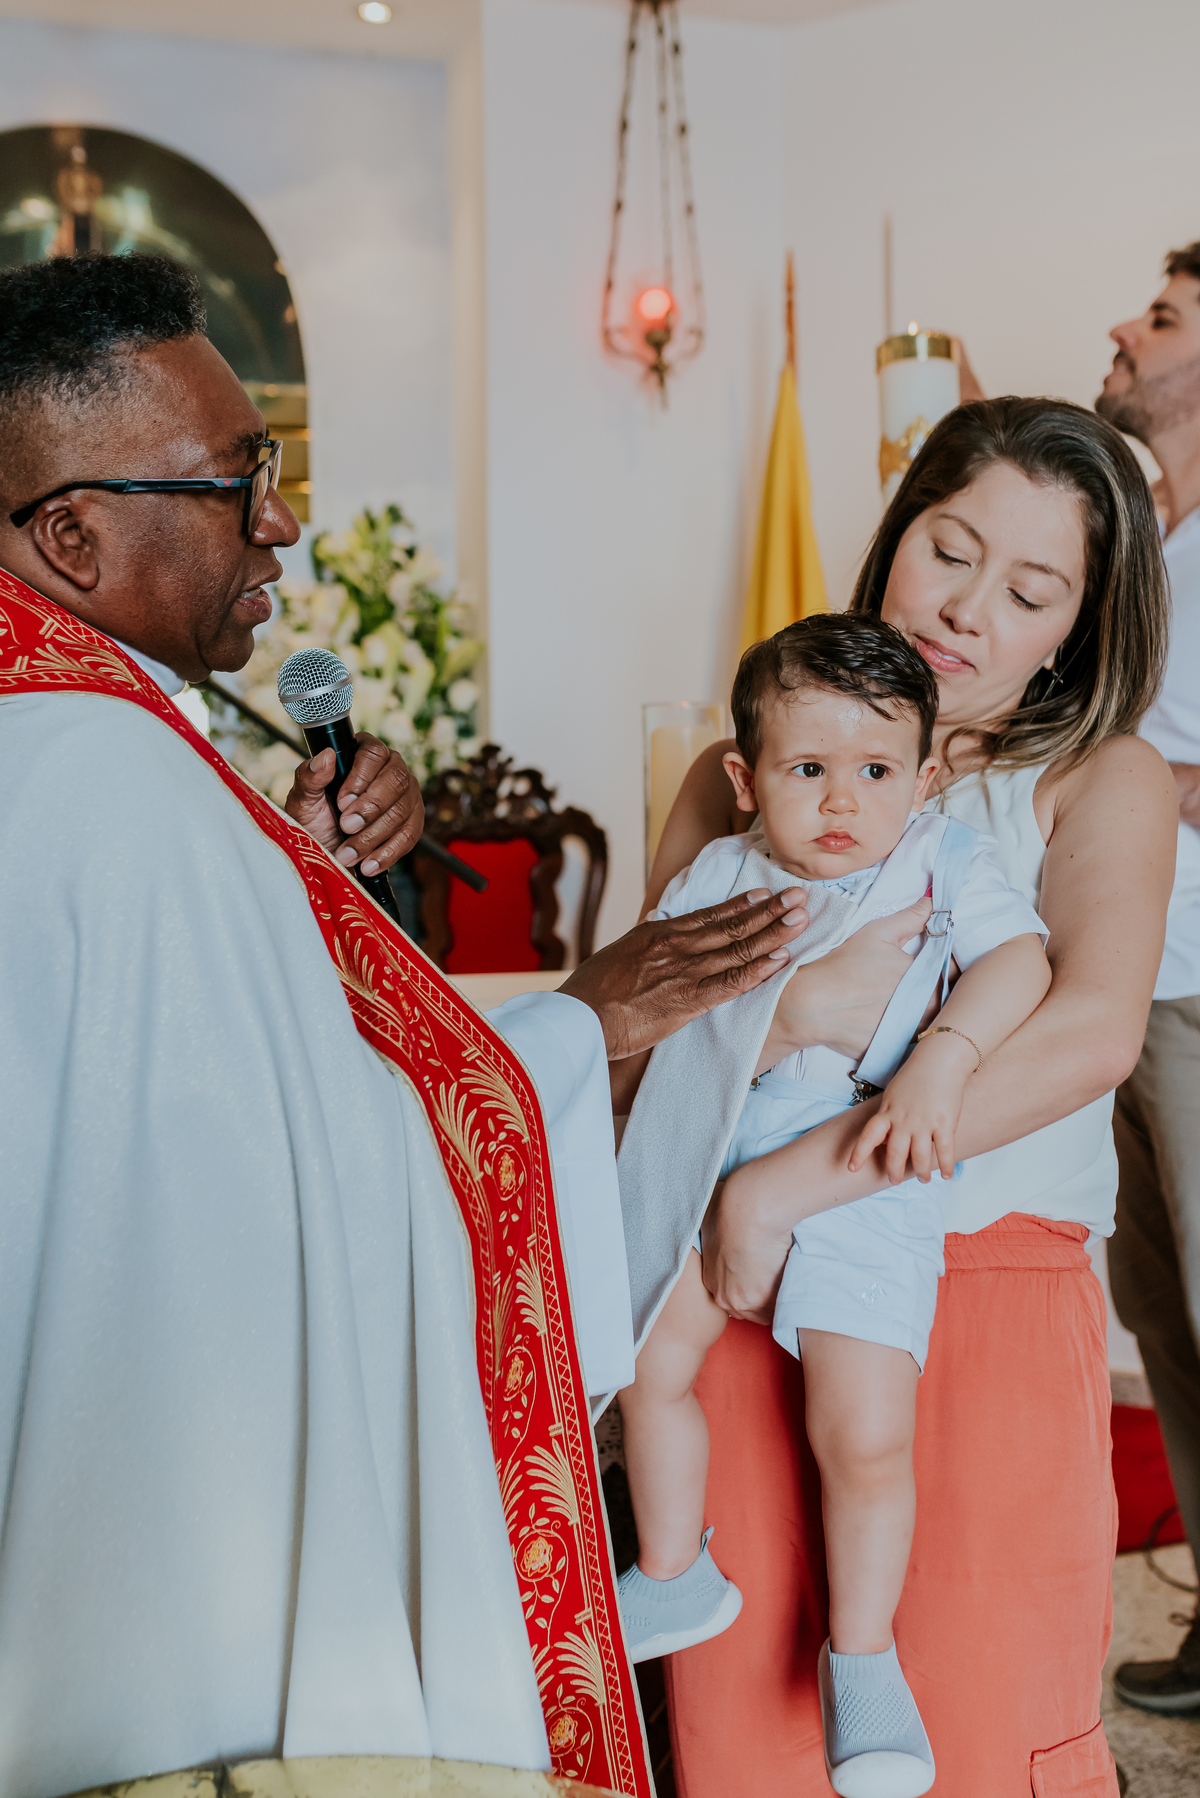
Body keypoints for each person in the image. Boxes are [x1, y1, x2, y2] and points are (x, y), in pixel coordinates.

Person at [0, 253, 810, 1798]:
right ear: (74, 532)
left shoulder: (62, 740)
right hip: (173, 1576)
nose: (284, 523)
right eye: (242, 481)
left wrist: (292, 870)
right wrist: (592, 1020)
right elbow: (284, 1209)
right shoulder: (113, 787)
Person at [646, 397, 1176, 1797]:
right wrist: (794, 1021)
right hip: (744, 1308)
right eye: (949, 549)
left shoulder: (1095, 780)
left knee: (987, 1723)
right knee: (752, 1735)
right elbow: (644, 1026)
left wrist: (791, 1179)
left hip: (986, 1294)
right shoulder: (761, 760)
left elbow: (1085, 1034)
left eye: (1030, 590)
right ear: (894, 538)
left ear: (1075, 625)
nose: (968, 610)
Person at [615, 614, 1050, 1798]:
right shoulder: (721, 871)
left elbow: (1022, 966)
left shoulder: (941, 858)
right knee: (649, 1361)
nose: (843, 801)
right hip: (718, 1161)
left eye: (875, 770)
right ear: (749, 779)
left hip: (868, 1160)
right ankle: (669, 1564)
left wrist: (944, 1056)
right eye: (808, 771)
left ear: (924, 774)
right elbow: (656, 1018)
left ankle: (862, 1655)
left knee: (862, 1432)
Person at [1094, 243, 1200, 1715]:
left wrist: (1118, 781)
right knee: (1164, 1318)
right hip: (1118, 976)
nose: (1122, 327)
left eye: (1165, 317)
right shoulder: (1143, 532)